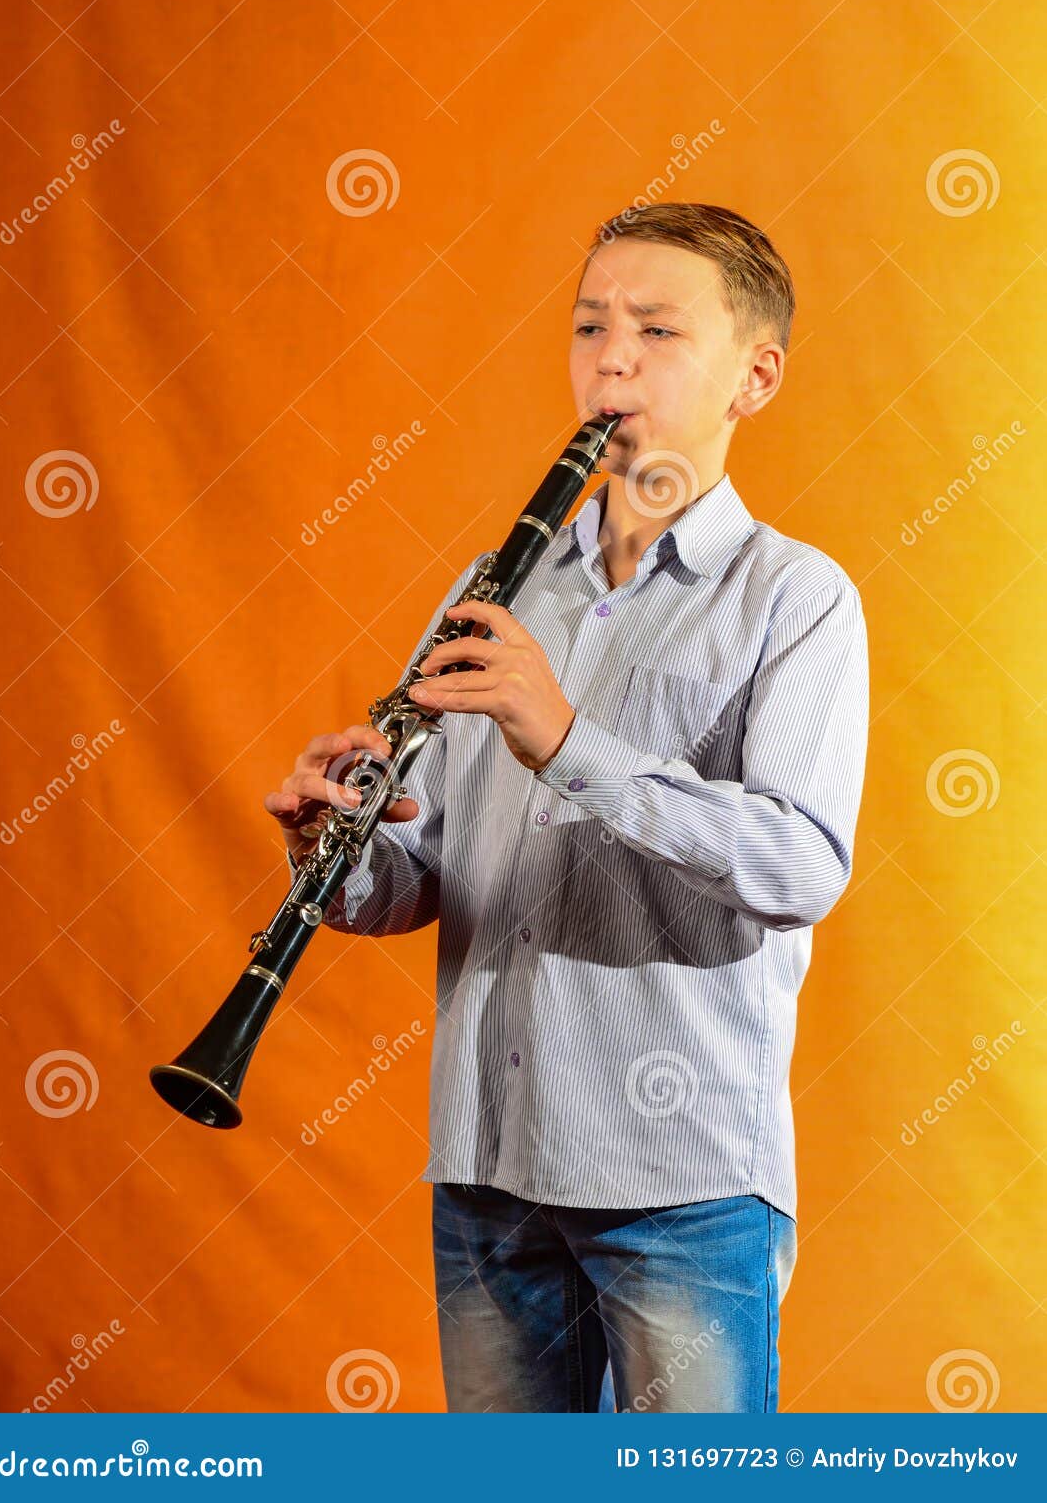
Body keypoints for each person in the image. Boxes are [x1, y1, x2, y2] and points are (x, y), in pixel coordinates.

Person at [264, 203, 869, 1413]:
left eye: (657, 329)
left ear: (756, 377)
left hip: (680, 1177)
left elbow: (802, 863)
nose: (612, 357)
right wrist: (335, 850)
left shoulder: (797, 597)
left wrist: (568, 740)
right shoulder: (499, 584)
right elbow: (426, 878)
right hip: (488, 1163)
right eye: (591, 325)